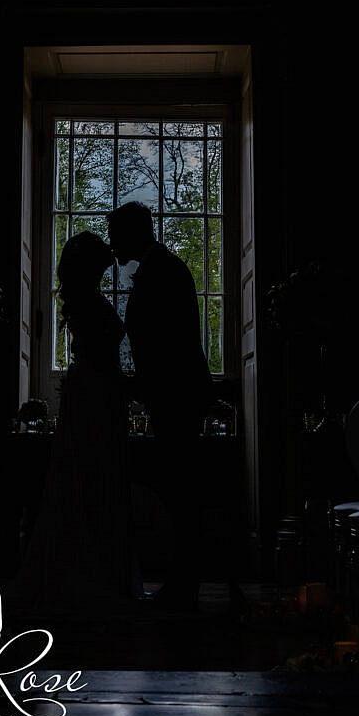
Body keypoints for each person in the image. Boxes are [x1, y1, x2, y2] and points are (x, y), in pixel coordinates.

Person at [11, 231, 134, 616]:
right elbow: (102, 357)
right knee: (90, 478)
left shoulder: (84, 302)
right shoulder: (90, 306)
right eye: (101, 264)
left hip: (92, 393)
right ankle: (89, 573)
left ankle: (87, 570)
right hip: (95, 395)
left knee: (86, 478)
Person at [107, 201, 214, 612]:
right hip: (173, 394)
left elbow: (169, 344)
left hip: (177, 396)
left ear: (133, 233)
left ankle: (185, 585)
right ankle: (183, 582)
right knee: (177, 489)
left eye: (116, 234)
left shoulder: (163, 271)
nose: (112, 243)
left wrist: (137, 384)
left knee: (180, 490)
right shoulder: (161, 268)